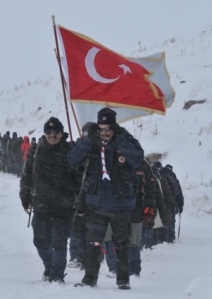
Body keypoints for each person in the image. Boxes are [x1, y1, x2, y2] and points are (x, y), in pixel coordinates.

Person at [67, 108, 144, 290]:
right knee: (93, 241)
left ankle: (123, 279)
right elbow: (72, 159)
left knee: (121, 243)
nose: (104, 132)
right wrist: (88, 140)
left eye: (108, 128)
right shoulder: (91, 142)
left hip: (120, 203)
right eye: (101, 129)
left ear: (114, 127)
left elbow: (137, 159)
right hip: (96, 202)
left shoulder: (125, 139)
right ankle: (90, 278)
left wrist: (119, 140)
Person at [19, 117, 81, 283]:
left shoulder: (71, 152)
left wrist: (79, 200)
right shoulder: (36, 150)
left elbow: (80, 179)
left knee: (59, 243)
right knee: (40, 242)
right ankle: (49, 266)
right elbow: (26, 176)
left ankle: (57, 275)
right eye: (49, 132)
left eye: (56, 132)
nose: (52, 135)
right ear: (45, 133)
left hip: (64, 207)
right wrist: (25, 198)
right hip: (41, 205)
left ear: (62, 134)